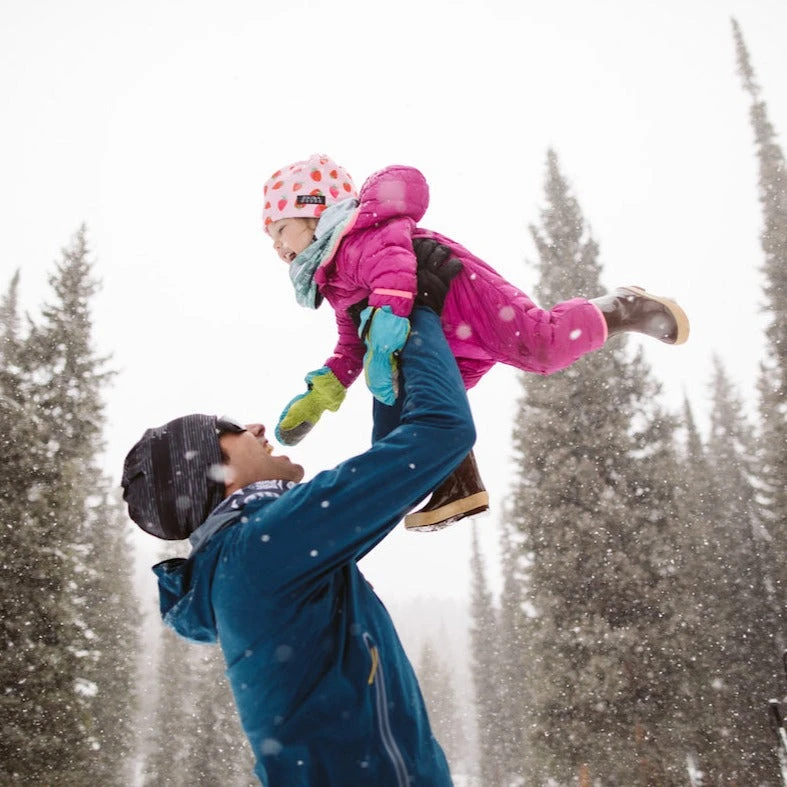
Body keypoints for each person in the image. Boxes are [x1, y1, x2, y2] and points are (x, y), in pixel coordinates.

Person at [121, 304, 473, 787]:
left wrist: (384, 344)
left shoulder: (251, 555)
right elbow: (441, 434)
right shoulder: (262, 551)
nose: (257, 429)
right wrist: (417, 311)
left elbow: (391, 472)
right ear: (212, 467)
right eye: (232, 427)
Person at [262, 153, 690, 531]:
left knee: (543, 346)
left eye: (281, 230)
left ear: (315, 210)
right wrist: (319, 395)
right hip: (440, 335)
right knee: (424, 411)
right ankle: (457, 484)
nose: (278, 246)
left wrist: (387, 330)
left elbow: (393, 270)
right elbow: (351, 345)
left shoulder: (358, 236)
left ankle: (623, 306)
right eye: (271, 239)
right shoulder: (335, 278)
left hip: (466, 301)